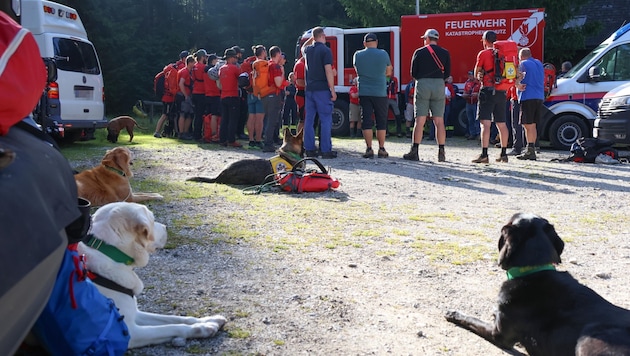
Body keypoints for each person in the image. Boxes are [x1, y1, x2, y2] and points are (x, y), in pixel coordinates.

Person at [403, 28, 450, 162]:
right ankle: (441, 151)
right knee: (439, 120)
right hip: (439, 85)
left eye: (424, 39)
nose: (424, 41)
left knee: (420, 120)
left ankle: (415, 151)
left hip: (423, 84)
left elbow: (413, 72)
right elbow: (447, 73)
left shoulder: (419, 52)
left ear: (428, 39)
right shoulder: (445, 53)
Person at [471, 30, 510, 163]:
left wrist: (480, 74)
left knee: (485, 124)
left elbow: (477, 72)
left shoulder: (483, 53)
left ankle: (484, 154)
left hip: (487, 91)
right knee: (502, 124)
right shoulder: (503, 52)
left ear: (485, 40)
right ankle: (504, 154)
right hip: (501, 91)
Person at [353, 32, 392, 159]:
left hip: (364, 91)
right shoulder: (383, 54)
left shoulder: (357, 55)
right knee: (381, 121)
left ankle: (369, 148)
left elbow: (357, 71)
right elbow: (389, 72)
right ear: (376, 42)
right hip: (380, 91)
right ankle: (382, 148)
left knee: (366, 120)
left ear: (364, 43)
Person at [302, 27, 337, 158]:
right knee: (326, 119)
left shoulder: (308, 50)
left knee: (309, 119)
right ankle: (326, 149)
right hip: (322, 89)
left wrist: (312, 38)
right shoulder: (326, 51)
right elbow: (328, 70)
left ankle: (309, 148)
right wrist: (332, 90)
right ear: (322, 36)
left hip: (309, 89)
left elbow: (303, 47)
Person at [516, 47, 545, 161]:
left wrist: (517, 84)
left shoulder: (523, 64)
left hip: (528, 96)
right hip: (539, 96)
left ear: (521, 56)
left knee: (527, 125)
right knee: (533, 124)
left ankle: (530, 150)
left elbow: (518, 77)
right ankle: (532, 148)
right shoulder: (538, 63)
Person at [261, 45, 285, 152]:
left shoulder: (267, 64)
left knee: (267, 120)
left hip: (265, 95)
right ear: (278, 54)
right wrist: (282, 74)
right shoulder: (275, 66)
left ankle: (267, 141)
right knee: (272, 121)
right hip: (273, 95)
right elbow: (278, 83)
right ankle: (268, 144)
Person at [218, 48, 242, 147]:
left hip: (223, 96)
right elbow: (241, 79)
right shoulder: (234, 68)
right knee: (233, 119)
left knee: (224, 119)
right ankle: (231, 140)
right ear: (231, 58)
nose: (236, 60)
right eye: (235, 58)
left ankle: (222, 139)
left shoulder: (221, 69)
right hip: (233, 95)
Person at [245, 45, 266, 149]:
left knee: (251, 116)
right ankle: (258, 140)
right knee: (259, 118)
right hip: (260, 93)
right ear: (262, 52)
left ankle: (250, 140)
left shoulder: (251, 63)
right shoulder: (263, 64)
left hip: (250, 93)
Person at [153, 57, 179, 138]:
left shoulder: (166, 73)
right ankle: (157, 131)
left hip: (166, 97)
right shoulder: (172, 73)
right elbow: (172, 88)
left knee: (170, 115)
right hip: (168, 98)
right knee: (164, 115)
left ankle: (171, 132)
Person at [191, 49, 208, 141]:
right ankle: (198, 134)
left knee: (196, 114)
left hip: (195, 92)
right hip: (202, 92)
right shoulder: (203, 67)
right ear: (202, 57)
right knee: (200, 114)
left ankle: (195, 133)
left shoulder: (194, 66)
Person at [177, 55, 195, 140]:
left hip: (186, 95)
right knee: (183, 114)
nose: (194, 64)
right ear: (190, 63)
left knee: (189, 114)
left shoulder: (188, 71)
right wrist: (186, 95)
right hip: (183, 95)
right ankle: (181, 133)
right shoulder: (185, 72)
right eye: (193, 62)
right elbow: (181, 83)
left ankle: (185, 132)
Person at [462, 70, 480, 140]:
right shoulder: (467, 83)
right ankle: (472, 133)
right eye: (469, 75)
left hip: (476, 103)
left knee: (477, 120)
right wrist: (465, 95)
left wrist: (477, 94)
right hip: (468, 103)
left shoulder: (478, 83)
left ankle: (478, 134)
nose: (470, 76)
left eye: (471, 75)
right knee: (470, 119)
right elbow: (464, 92)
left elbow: (483, 93)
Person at [506, 85, 523, 155]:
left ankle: (517, 148)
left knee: (516, 124)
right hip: (523, 98)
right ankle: (528, 147)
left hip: (517, 98)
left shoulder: (517, 75)